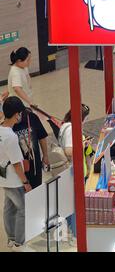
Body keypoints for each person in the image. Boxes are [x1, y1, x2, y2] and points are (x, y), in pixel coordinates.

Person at [0, 96, 34, 252]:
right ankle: (19, 244)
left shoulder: (1, 130)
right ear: (16, 114)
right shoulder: (11, 137)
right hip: (13, 180)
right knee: (23, 209)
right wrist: (25, 182)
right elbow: (16, 164)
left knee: (9, 208)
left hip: (3, 177)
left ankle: (11, 238)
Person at [57, 104, 92, 244]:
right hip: (74, 172)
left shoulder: (65, 126)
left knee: (71, 204)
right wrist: (83, 143)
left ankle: (72, 232)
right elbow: (69, 151)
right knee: (76, 205)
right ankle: (76, 235)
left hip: (73, 171)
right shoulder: (71, 129)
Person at [12, 107, 49, 189]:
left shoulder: (31, 117)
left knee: (36, 189)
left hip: (35, 164)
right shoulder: (9, 122)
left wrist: (45, 155)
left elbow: (42, 137)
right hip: (18, 167)